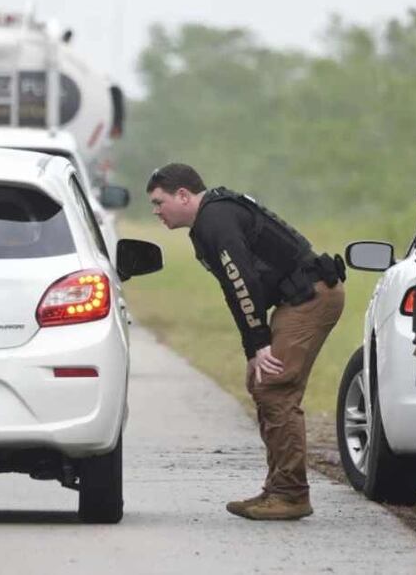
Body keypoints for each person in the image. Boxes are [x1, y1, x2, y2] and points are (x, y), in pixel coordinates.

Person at [146, 163, 345, 520]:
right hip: (294, 299)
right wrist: (253, 347)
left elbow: (244, 282)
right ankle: (277, 488)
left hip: (310, 297)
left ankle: (291, 495)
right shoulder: (210, 219)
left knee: (274, 388)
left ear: (182, 195)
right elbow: (235, 290)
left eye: (159, 202)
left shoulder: (215, 220)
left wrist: (259, 343)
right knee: (262, 382)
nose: (156, 211)